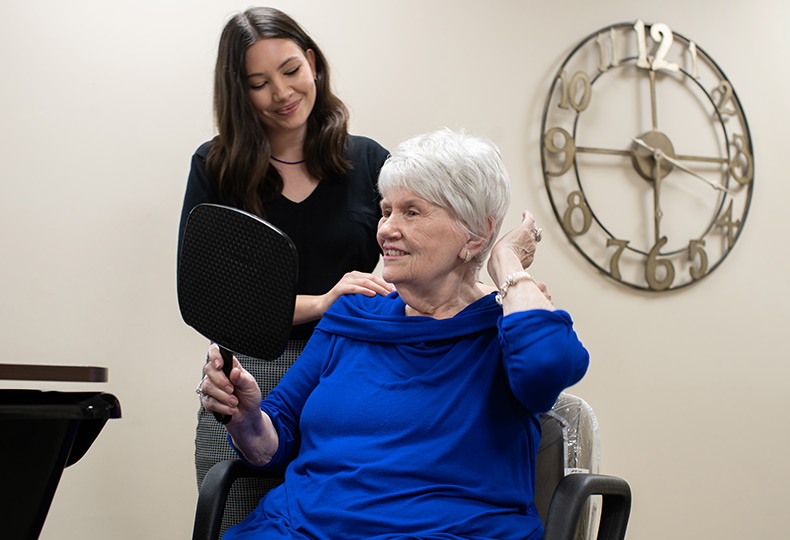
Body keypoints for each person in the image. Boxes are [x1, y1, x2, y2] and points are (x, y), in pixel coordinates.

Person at [197, 128, 590, 540]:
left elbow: (549, 364)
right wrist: (245, 417)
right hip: (298, 529)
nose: (386, 229)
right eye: (386, 211)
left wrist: (508, 262)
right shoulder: (353, 314)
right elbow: (270, 446)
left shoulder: (505, 328)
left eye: (412, 212)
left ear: (474, 234)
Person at [178, 6, 393, 526]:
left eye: (292, 70)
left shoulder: (370, 162)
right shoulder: (216, 168)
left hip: (354, 369)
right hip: (252, 374)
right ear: (239, 92)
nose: (282, 93)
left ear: (313, 64)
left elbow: (399, 265)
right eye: (259, 82)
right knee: (246, 521)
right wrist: (323, 303)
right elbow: (209, 295)